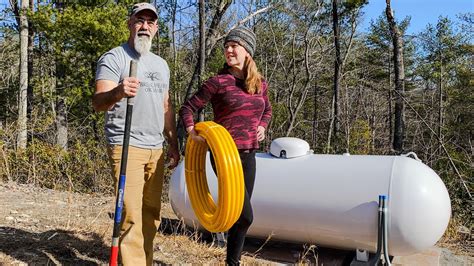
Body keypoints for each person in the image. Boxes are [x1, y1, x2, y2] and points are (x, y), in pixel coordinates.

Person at [92, 3, 179, 265]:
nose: (145, 27)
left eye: (150, 22)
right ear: (130, 24)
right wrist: (119, 91)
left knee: (151, 214)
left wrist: (173, 142)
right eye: (139, 21)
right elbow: (98, 102)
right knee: (130, 215)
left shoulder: (161, 65)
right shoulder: (115, 58)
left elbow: (166, 106)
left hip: (156, 148)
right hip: (126, 144)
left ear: (156, 29)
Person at [179, 26, 272, 265]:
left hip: (250, 154)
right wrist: (193, 132)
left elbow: (267, 109)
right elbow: (188, 108)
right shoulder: (218, 82)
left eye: (234, 46)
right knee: (246, 216)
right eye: (227, 47)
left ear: (247, 52)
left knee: (239, 216)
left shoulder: (260, 84)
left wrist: (263, 125)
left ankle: (232, 263)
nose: (229, 50)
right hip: (224, 155)